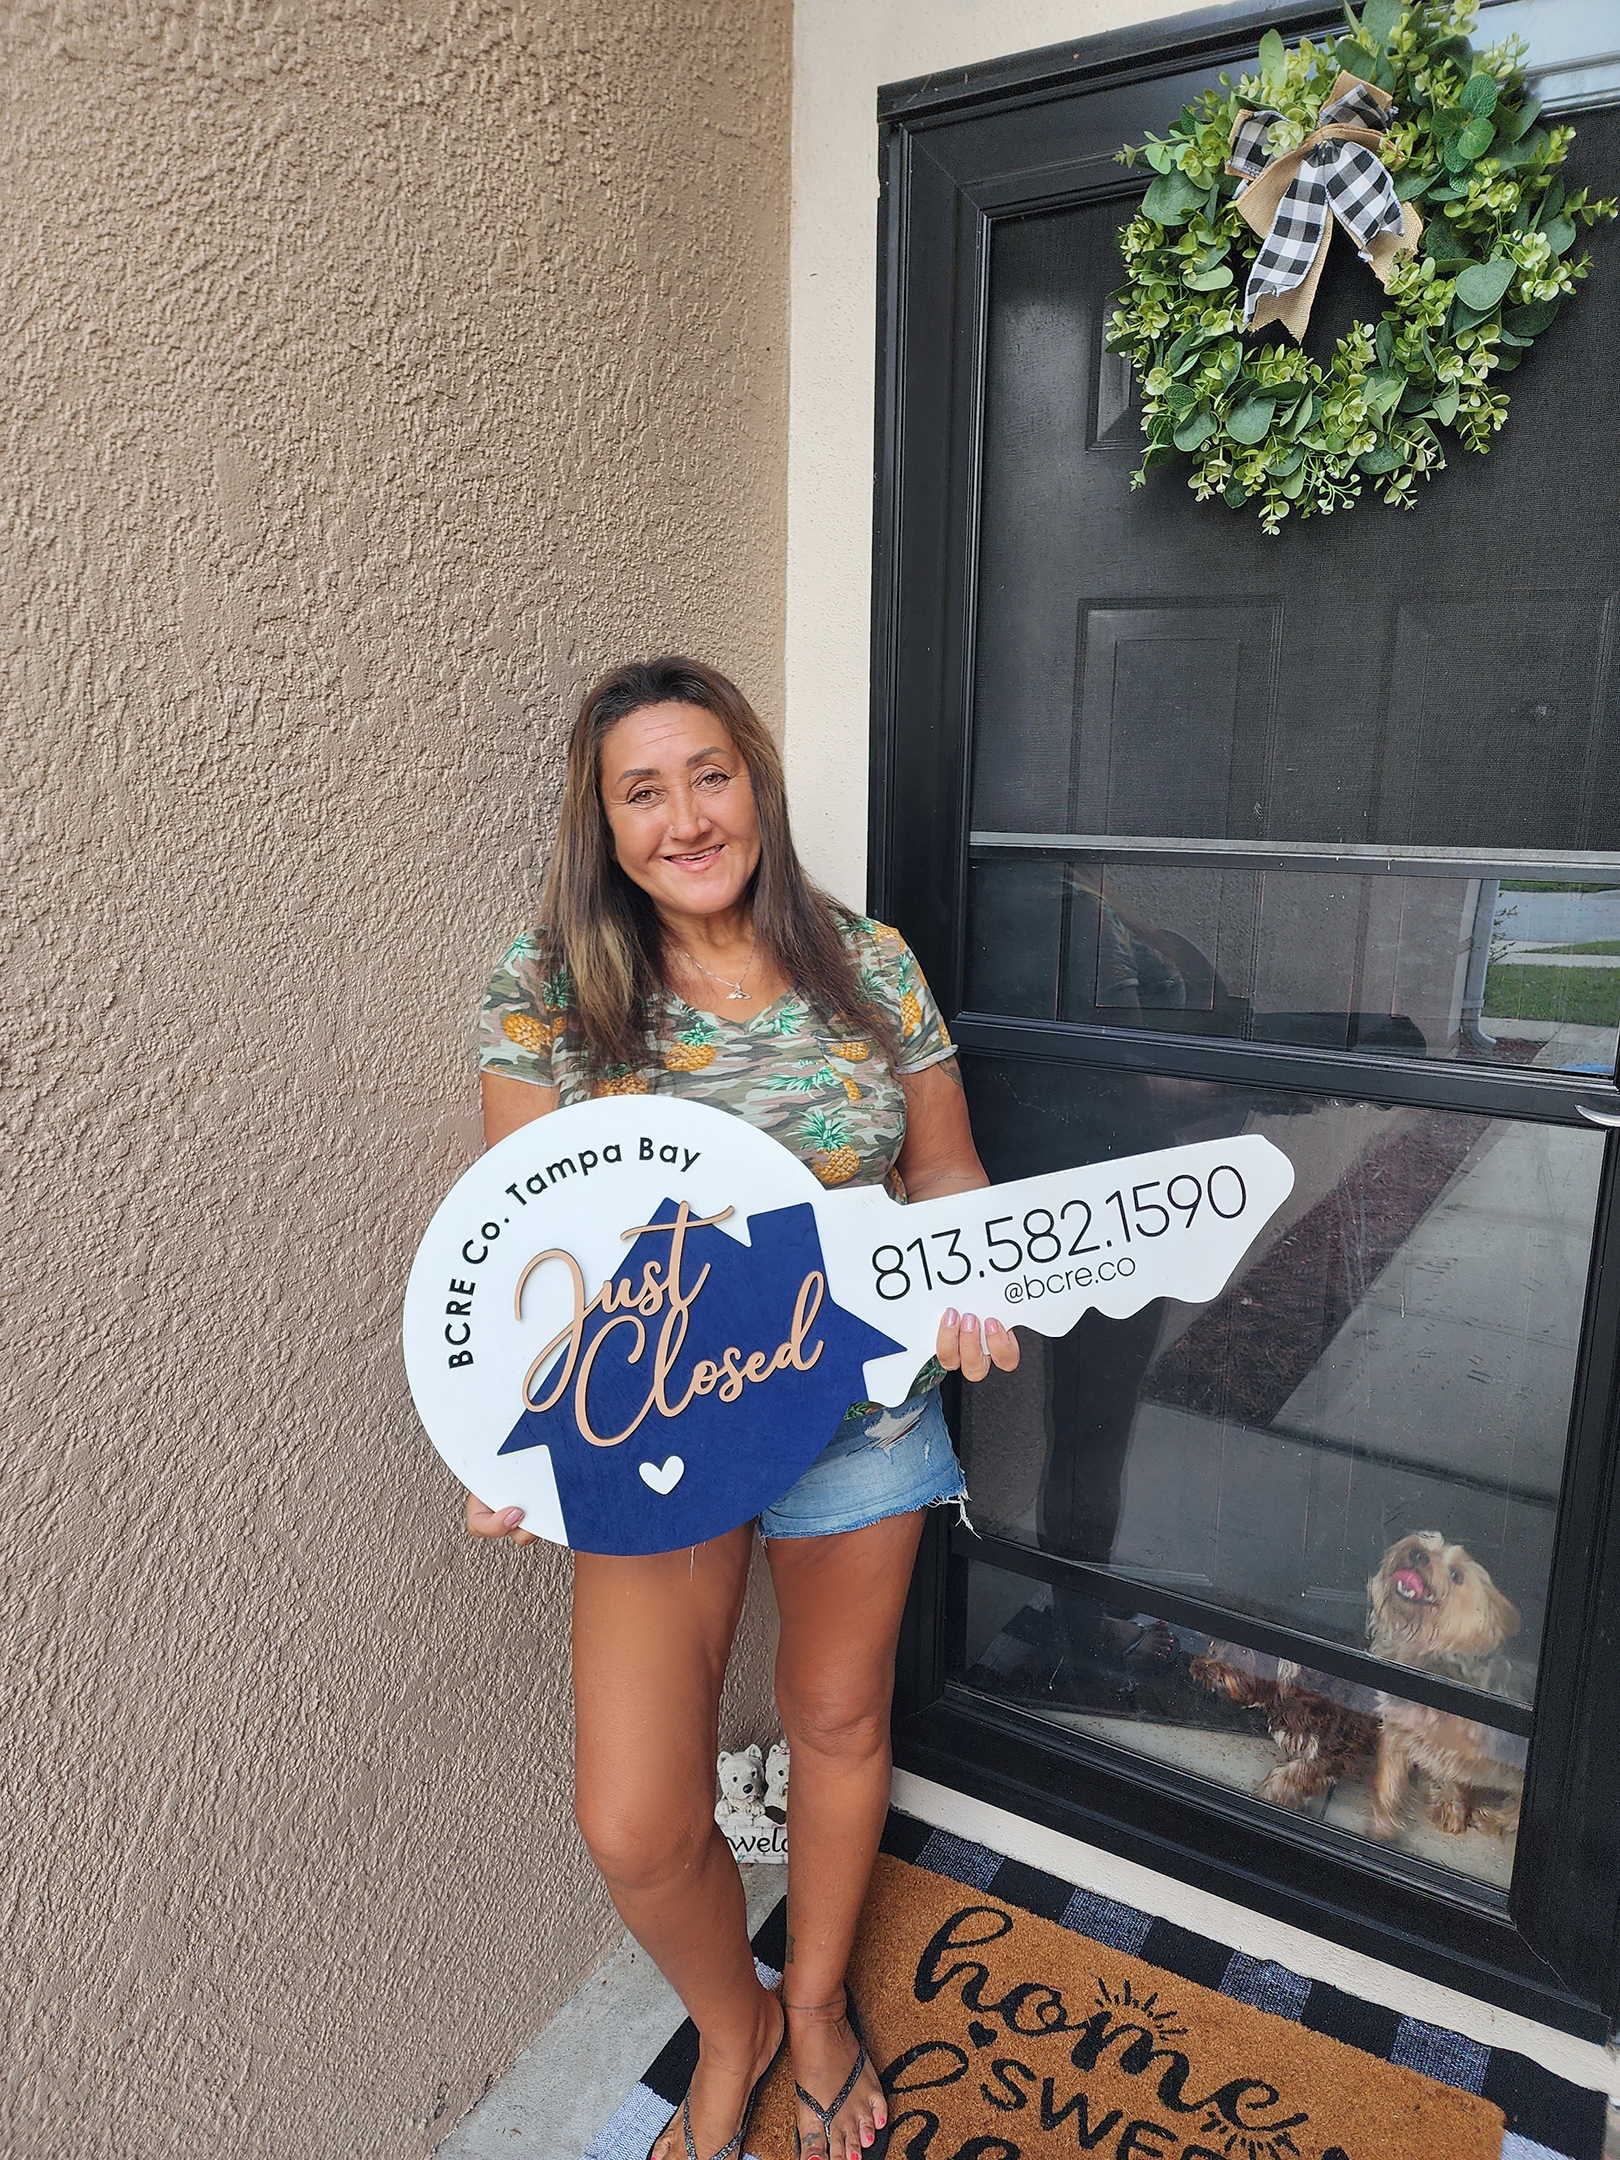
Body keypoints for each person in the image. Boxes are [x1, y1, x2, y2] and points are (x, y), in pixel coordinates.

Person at [467, 657, 1019, 2160]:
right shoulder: (550, 988)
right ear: (605, 822)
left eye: (709, 773)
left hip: (863, 1416)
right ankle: (738, 2021)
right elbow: (530, 1249)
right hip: (660, 1432)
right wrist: (501, 1430)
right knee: (638, 1822)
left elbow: (945, 1168)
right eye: (643, 790)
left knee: (838, 1723)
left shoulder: (869, 960)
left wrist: (969, 1275)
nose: (687, 816)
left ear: (756, 782)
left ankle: (822, 2002)